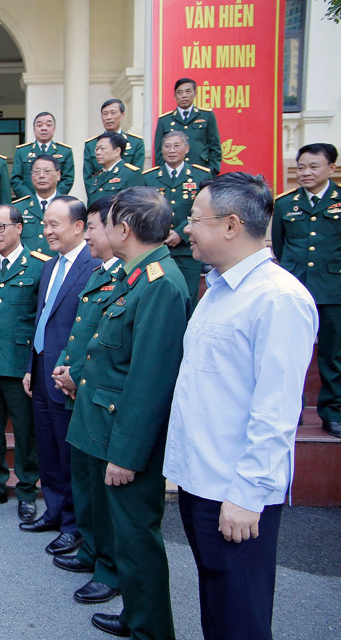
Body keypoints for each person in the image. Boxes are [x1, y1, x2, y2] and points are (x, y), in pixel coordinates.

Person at [165, 172, 318, 640]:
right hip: (200, 481)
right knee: (218, 602)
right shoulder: (219, 289)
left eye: (194, 218)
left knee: (240, 616)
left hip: (236, 493)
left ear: (231, 225)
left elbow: (275, 411)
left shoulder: (278, 298)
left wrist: (248, 496)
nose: (186, 228)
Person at [66, 186, 190, 639]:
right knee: (127, 535)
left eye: (109, 219)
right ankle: (139, 617)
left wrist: (126, 455)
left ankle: (151, 631)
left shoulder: (159, 284)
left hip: (128, 438)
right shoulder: (136, 276)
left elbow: (150, 382)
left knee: (138, 540)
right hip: (109, 425)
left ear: (124, 228)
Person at [51, 196, 123, 606]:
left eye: (94, 227)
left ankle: (109, 566)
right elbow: (81, 334)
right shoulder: (104, 276)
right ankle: (93, 550)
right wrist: (65, 368)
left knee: (104, 491)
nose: (90, 233)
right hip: (79, 388)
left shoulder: (136, 279)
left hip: (101, 396)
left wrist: (75, 373)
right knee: (87, 481)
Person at [20, 196, 100, 557]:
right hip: (40, 370)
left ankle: (73, 525)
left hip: (67, 377)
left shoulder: (94, 265)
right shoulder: (50, 265)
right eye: (45, 223)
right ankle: (52, 511)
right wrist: (29, 365)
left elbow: (90, 328)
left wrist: (73, 371)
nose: (47, 230)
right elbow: (42, 319)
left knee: (68, 457)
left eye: (54, 224)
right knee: (48, 451)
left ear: (79, 227)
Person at [0, 205, 50, 522]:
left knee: (25, 431)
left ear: (19, 228)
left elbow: (43, 319)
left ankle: (27, 490)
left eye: (1, 227)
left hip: (21, 365)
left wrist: (35, 364)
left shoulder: (41, 266)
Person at [272, 143, 341, 437]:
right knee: (289, 352)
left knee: (333, 355)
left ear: (331, 169)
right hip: (294, 287)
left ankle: (333, 411)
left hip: (333, 289)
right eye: (301, 167)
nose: (306, 172)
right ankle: (292, 409)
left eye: (313, 166)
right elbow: (278, 244)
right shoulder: (286, 204)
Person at [143, 131, 212, 303]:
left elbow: (205, 211)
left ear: (187, 149)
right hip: (157, 248)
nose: (171, 150)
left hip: (188, 250)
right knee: (158, 299)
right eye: (167, 146)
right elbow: (143, 211)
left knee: (187, 299)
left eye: (176, 146)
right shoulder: (149, 177)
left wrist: (180, 233)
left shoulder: (201, 176)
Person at [154, 77, 222, 176]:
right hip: (173, 174)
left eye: (188, 91)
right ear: (175, 96)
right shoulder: (164, 120)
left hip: (201, 171)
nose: (184, 96)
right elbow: (159, 152)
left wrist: (211, 172)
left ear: (195, 94)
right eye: (180, 93)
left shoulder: (207, 115)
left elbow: (215, 148)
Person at [11, 112, 74, 199]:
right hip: (29, 202)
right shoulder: (22, 151)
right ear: (34, 129)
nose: (44, 128)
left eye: (48, 125)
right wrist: (31, 198)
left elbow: (68, 179)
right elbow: (16, 179)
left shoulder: (65, 151)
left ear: (54, 128)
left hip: (55, 202)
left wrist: (53, 197)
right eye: (40, 125)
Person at [12, 154, 64, 255]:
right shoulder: (18, 208)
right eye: (36, 172)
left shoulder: (69, 207)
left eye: (47, 171)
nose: (41, 176)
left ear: (58, 175)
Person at [84, 99, 146, 178]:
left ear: (122, 115)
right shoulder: (91, 144)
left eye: (113, 113)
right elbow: (88, 177)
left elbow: (137, 175)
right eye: (105, 114)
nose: (109, 117)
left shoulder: (136, 142)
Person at [85, 132, 143, 206]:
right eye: (96, 149)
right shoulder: (96, 178)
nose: (98, 153)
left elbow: (135, 206)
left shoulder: (131, 174)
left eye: (102, 148)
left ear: (117, 151)